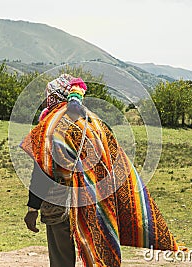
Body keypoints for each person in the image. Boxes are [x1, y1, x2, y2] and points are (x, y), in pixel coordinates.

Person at [20, 74, 179, 267]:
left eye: (48, 96)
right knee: (98, 253)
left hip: (58, 200)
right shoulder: (93, 121)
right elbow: (113, 159)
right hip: (94, 201)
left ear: (54, 96)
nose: (46, 100)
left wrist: (32, 208)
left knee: (61, 259)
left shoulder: (49, 125)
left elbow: (41, 170)